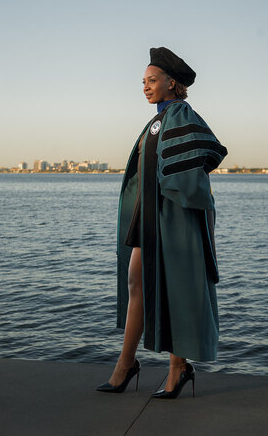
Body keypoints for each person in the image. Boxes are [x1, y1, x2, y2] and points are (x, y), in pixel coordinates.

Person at [96, 46, 228, 399]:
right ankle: (127, 364)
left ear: (172, 83)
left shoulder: (181, 113)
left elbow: (207, 152)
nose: (145, 86)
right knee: (136, 281)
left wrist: (181, 195)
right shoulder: (156, 121)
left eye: (152, 80)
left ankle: (176, 368)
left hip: (171, 216)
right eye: (143, 81)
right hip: (148, 216)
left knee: (174, 288)